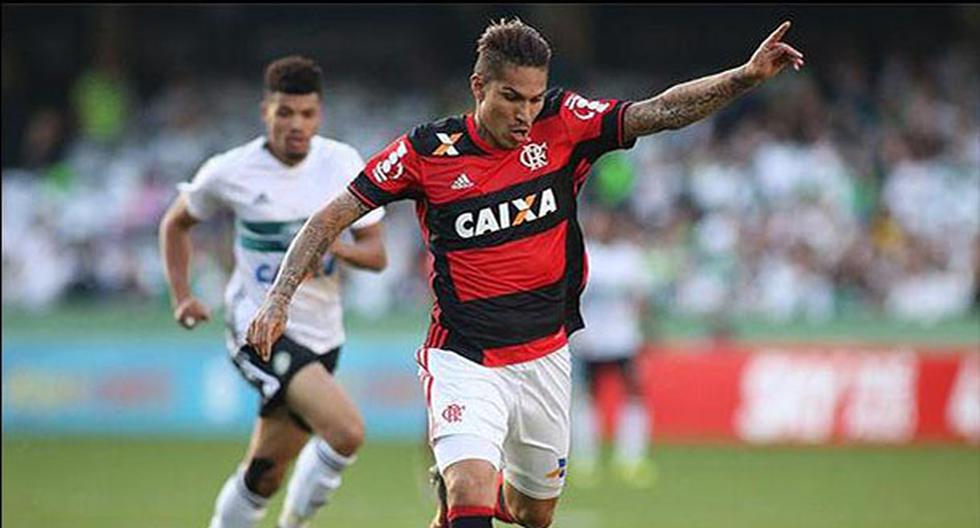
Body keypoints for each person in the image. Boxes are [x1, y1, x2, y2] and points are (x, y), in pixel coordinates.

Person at [245, 18, 804, 528]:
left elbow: (656, 111)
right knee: (467, 488)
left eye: (534, 99)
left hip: (544, 356)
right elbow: (331, 216)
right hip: (465, 357)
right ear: (478, 87)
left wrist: (745, 77)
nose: (525, 114)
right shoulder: (425, 152)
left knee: (532, 513)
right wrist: (277, 300)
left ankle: (478, 495)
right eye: (511, 97)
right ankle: (461, 489)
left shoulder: (563, 122)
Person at [158, 55, 387, 528]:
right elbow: (175, 223)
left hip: (323, 333)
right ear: (266, 111)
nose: (296, 125)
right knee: (346, 431)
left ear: (319, 114)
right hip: (258, 326)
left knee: (265, 471)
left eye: (306, 114)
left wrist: (326, 244)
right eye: (285, 112)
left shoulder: (341, 162)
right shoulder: (231, 170)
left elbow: (377, 255)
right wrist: (181, 294)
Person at [569, 209, 655, 488]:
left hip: (622, 338)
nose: (601, 226)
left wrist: (640, 326)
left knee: (634, 392)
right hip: (589, 339)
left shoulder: (629, 257)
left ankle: (630, 458)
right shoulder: (584, 254)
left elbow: (642, 298)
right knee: (586, 397)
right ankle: (585, 458)